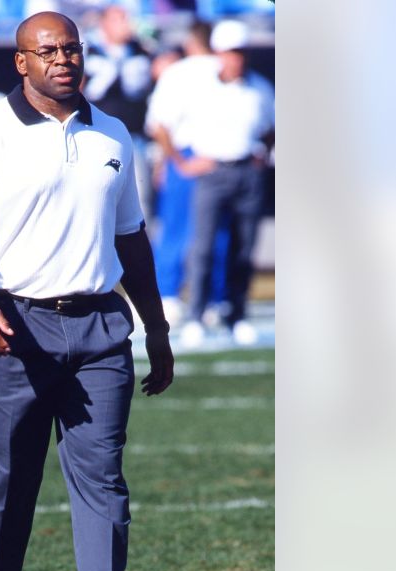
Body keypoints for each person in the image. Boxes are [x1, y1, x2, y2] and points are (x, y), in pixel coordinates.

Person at [0, 11, 174, 571]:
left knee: (103, 476)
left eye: (72, 48)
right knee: (5, 474)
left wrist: (156, 325)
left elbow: (131, 240)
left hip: (100, 324)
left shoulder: (114, 135)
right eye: (48, 50)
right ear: (22, 62)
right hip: (14, 324)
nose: (63, 59)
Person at [176, 19, 274, 346]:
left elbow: (271, 127)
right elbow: (163, 124)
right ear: (219, 53)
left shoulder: (260, 88)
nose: (237, 58)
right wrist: (182, 162)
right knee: (203, 247)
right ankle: (196, 315)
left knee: (243, 250)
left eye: (241, 52)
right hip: (212, 173)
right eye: (231, 52)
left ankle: (237, 314)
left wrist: (262, 153)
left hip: (248, 172)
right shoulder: (201, 90)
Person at [144, 21, 222, 327]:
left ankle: (168, 297)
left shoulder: (178, 72)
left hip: (186, 154)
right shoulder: (229, 71)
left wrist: (171, 160)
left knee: (175, 230)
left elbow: (158, 124)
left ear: (192, 41)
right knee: (217, 232)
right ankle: (216, 299)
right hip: (222, 157)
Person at [82, 5, 155, 229]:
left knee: (139, 201)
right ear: (104, 23)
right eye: (119, 19)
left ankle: (138, 257)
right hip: (97, 136)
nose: (126, 24)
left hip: (134, 137)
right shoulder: (89, 49)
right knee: (96, 196)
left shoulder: (141, 49)